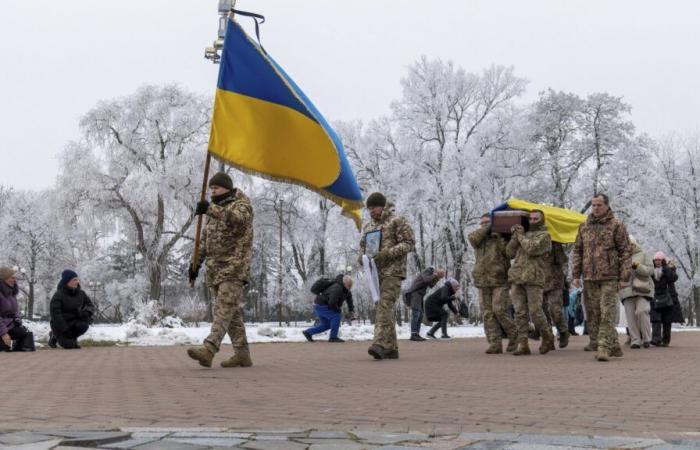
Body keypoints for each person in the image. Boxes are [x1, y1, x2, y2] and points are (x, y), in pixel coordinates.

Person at [187, 172, 254, 368]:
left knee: (222, 308)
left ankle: (209, 350)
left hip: (234, 267)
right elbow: (205, 242)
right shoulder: (214, 212)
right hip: (215, 270)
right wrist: (195, 265)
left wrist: (211, 209)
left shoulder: (241, 205)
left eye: (216, 187)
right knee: (231, 314)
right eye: (211, 188)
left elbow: (237, 219)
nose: (213, 191)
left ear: (227, 187)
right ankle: (242, 355)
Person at [572, 193, 631, 362]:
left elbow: (625, 251)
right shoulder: (584, 226)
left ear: (606, 205)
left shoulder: (616, 225)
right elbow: (577, 251)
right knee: (594, 314)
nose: (596, 208)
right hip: (589, 277)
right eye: (593, 205)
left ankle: (603, 347)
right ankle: (615, 346)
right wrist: (576, 275)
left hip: (610, 277)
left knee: (607, 313)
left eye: (599, 205)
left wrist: (624, 277)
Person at [361, 192, 416, 360]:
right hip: (375, 274)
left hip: (393, 271)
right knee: (382, 307)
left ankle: (379, 343)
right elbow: (363, 246)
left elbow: (409, 243)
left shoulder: (397, 221)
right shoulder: (368, 226)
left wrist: (387, 253)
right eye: (369, 209)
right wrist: (362, 257)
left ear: (383, 206)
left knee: (384, 305)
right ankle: (391, 349)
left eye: (374, 208)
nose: (371, 211)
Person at [506, 209, 554, 355]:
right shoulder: (522, 235)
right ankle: (523, 344)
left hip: (534, 278)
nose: (532, 221)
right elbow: (509, 253)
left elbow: (532, 249)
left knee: (535, 311)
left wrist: (520, 235)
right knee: (519, 312)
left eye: (536, 219)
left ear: (542, 219)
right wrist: (515, 236)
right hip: (517, 277)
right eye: (531, 219)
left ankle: (547, 337)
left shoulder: (545, 235)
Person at [468, 213, 517, 354]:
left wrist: (500, 236)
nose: (484, 225)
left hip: (499, 279)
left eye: (487, 222)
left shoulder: (501, 236)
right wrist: (488, 227)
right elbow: (472, 239)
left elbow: (509, 253)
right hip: (482, 280)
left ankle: (515, 337)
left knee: (500, 310)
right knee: (487, 313)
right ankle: (494, 343)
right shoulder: (478, 237)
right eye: (482, 223)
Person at [618, 236, 654, 349]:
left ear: (634, 244)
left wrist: (637, 266)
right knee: (630, 317)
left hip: (642, 289)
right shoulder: (621, 258)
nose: (628, 246)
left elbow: (650, 271)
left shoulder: (644, 254)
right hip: (626, 290)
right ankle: (635, 340)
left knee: (642, 311)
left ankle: (647, 338)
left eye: (630, 244)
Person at [302, 275, 356, 342]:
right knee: (336, 316)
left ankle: (308, 332)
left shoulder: (347, 291)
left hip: (319, 305)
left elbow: (350, 301)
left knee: (327, 324)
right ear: (344, 283)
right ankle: (333, 337)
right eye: (349, 285)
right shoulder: (337, 288)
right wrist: (338, 310)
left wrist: (351, 311)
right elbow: (332, 303)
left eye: (351, 285)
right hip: (322, 305)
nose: (350, 287)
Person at [49, 269, 95, 349]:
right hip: (60, 325)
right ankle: (54, 335)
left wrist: (86, 312)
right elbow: (55, 315)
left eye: (77, 279)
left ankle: (72, 338)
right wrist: (64, 329)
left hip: (74, 322)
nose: (77, 282)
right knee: (69, 346)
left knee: (83, 326)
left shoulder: (81, 293)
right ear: (67, 281)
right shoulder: (58, 295)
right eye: (74, 280)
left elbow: (90, 304)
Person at [650, 252, 684, 347]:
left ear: (663, 260)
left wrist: (666, 268)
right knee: (656, 319)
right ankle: (656, 339)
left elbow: (673, 278)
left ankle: (665, 340)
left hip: (668, 298)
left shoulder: (668, 269)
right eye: (656, 260)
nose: (657, 262)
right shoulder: (652, 270)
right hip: (655, 297)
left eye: (659, 260)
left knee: (667, 320)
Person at [404, 267, 445, 341]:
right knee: (416, 314)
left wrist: (437, 278)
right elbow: (426, 279)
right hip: (415, 293)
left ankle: (416, 334)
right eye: (440, 274)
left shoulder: (432, 275)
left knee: (420, 315)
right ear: (437, 271)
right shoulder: (428, 270)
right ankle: (413, 334)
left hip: (420, 295)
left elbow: (431, 285)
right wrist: (435, 275)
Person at [0, 266, 35, 352]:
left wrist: (17, 319)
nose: (15, 280)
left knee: (27, 337)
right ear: (4, 278)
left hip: (9, 325)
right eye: (12, 278)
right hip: (1, 326)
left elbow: (15, 311)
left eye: (15, 278)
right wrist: (3, 333)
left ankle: (18, 348)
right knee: (4, 348)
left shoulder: (11, 293)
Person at [543, 242, 570, 348]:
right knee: (543, 313)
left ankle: (563, 331)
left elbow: (563, 260)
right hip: (539, 282)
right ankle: (549, 339)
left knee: (555, 310)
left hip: (555, 282)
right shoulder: (533, 241)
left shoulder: (554, 244)